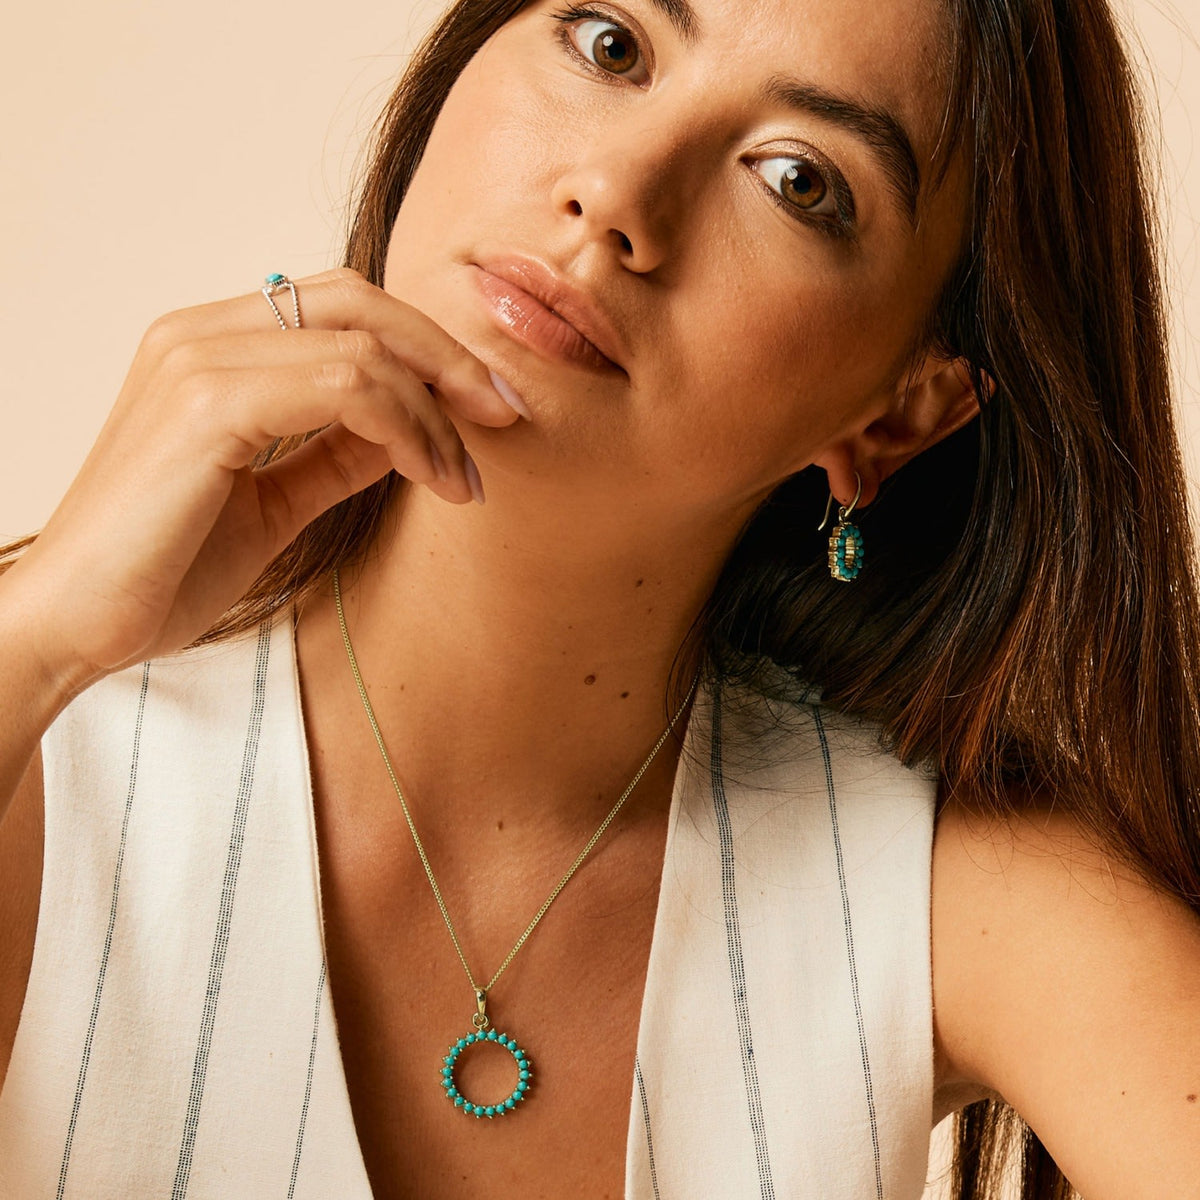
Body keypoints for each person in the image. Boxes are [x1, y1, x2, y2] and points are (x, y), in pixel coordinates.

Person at [1, 0, 1198, 1196]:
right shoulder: (41, 739)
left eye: (798, 180)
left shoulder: (948, 888)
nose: (618, 194)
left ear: (901, 410)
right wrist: (40, 644)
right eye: (610, 44)